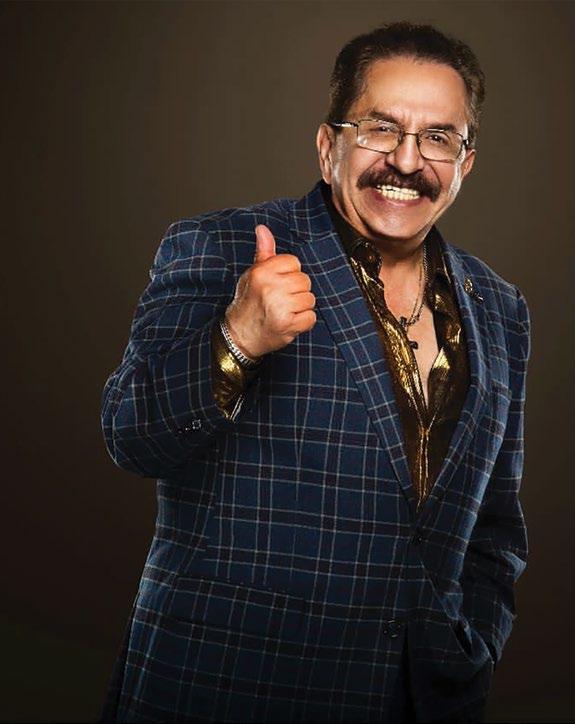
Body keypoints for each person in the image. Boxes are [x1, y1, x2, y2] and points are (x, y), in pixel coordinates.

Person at [100, 21, 530, 724]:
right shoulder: (220, 247)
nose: (407, 161)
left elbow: (496, 527)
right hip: (225, 692)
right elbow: (131, 435)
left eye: (437, 138)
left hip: (419, 700)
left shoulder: (501, 308)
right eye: (381, 129)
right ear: (329, 145)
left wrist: (471, 644)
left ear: (465, 162)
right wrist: (238, 338)